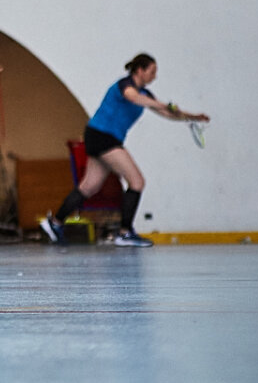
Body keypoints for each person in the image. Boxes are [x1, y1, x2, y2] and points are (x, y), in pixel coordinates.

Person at [41, 54, 207, 248]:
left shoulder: (146, 95)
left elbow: (166, 112)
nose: (154, 76)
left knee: (89, 187)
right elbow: (133, 97)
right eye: (152, 71)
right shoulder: (125, 85)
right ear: (140, 70)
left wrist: (192, 116)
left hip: (101, 138)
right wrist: (162, 104)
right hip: (102, 137)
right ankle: (124, 232)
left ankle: (55, 223)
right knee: (137, 181)